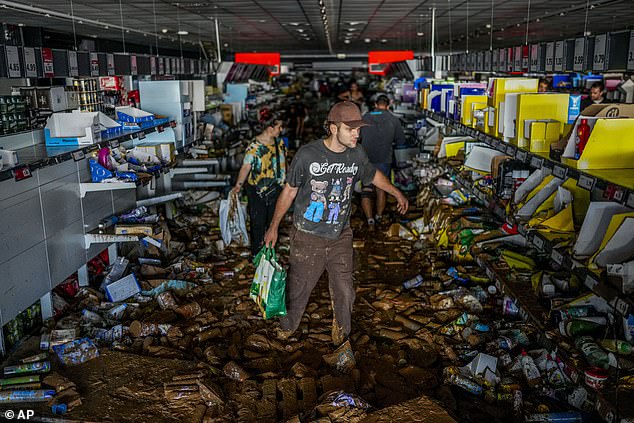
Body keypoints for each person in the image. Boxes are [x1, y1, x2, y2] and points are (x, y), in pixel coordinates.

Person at [263, 101, 409, 345]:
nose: (356, 134)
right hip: (308, 236)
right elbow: (289, 191)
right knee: (298, 290)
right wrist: (274, 226)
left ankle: (342, 334)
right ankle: (287, 328)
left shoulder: (357, 154)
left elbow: (372, 175)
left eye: (358, 129)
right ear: (333, 128)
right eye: (350, 129)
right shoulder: (308, 155)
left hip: (340, 233)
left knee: (345, 290)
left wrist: (397, 193)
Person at [232, 109, 286, 256]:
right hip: (257, 191)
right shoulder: (254, 147)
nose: (281, 130)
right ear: (270, 128)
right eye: (278, 127)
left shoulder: (279, 143)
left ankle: (270, 254)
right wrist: (238, 185)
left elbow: (282, 163)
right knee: (258, 223)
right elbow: (246, 166)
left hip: (276, 189)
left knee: (273, 223)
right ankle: (257, 254)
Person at [359, 95, 406, 230]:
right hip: (384, 159)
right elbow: (400, 141)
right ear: (388, 105)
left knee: (366, 189)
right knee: (382, 189)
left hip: (366, 159)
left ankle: (370, 221)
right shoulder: (394, 119)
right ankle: (379, 216)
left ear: (375, 104)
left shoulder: (365, 118)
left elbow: (357, 137)